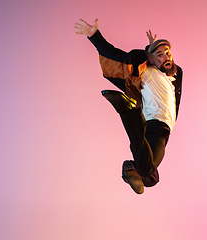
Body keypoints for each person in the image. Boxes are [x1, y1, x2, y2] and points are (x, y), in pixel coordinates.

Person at [75, 19, 183, 194]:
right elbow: (117, 55)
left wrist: (153, 47)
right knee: (147, 171)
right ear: (153, 58)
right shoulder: (147, 71)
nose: (167, 56)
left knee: (150, 177)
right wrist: (95, 36)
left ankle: (130, 168)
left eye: (168, 52)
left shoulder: (172, 79)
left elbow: (174, 69)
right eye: (161, 54)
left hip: (164, 132)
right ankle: (127, 110)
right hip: (154, 125)